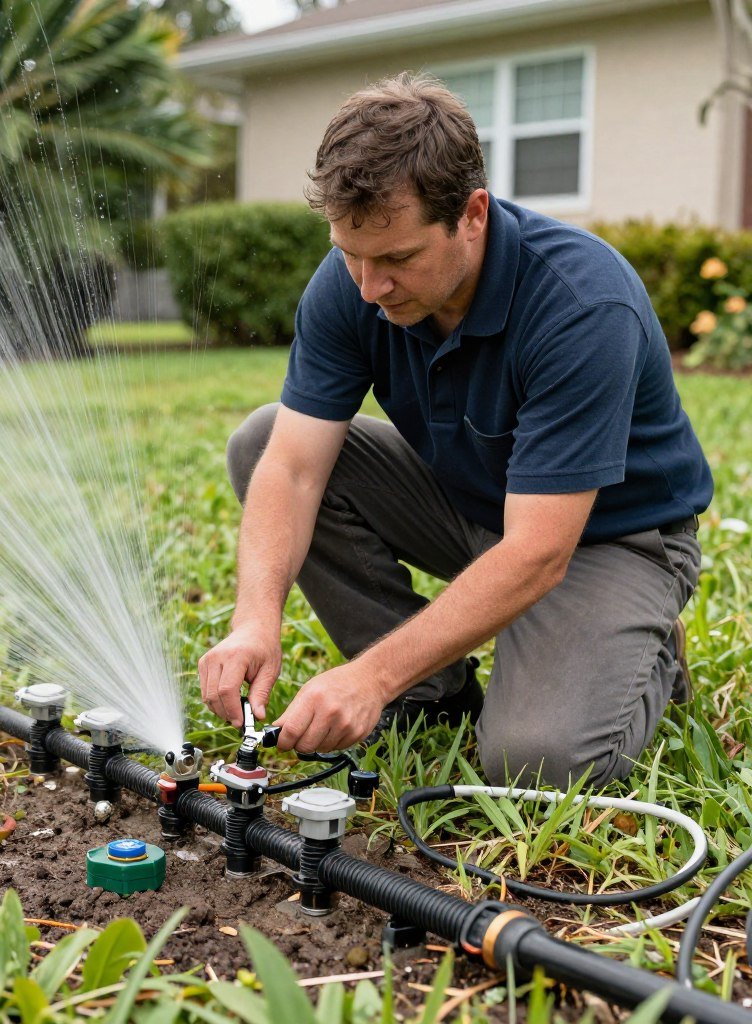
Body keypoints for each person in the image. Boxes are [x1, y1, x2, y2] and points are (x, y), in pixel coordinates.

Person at [198, 73, 711, 789]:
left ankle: (645, 650)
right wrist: (255, 619)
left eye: (399, 259)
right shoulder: (354, 283)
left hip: (609, 538)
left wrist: (367, 677)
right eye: (351, 254)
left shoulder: (581, 304)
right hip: (472, 502)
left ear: (472, 214)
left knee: (537, 760)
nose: (370, 287)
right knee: (261, 440)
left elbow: (537, 552)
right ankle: (430, 694)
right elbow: (290, 468)